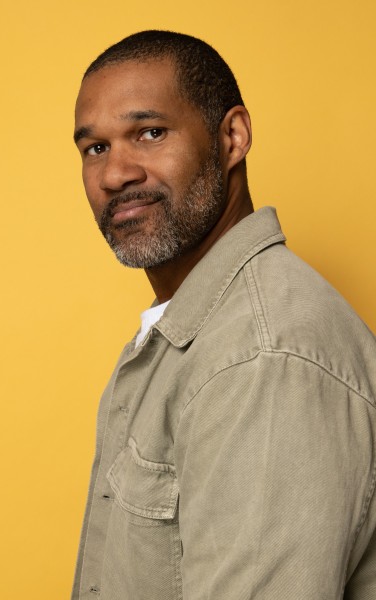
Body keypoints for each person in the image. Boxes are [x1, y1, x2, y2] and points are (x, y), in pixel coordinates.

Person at [71, 30, 376, 599]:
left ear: (232, 137)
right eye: (95, 148)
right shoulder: (189, 333)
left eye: (150, 133)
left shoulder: (261, 358)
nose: (115, 174)